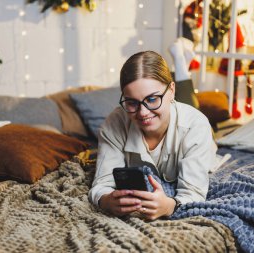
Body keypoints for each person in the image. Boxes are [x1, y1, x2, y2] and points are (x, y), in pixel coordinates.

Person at [88, 51, 218, 220]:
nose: (143, 113)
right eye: (132, 102)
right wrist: (106, 201)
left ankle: (182, 64)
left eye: (152, 99)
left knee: (191, 105)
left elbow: (193, 193)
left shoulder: (196, 126)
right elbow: (101, 186)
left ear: (171, 90)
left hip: (202, 135)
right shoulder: (114, 123)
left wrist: (168, 206)